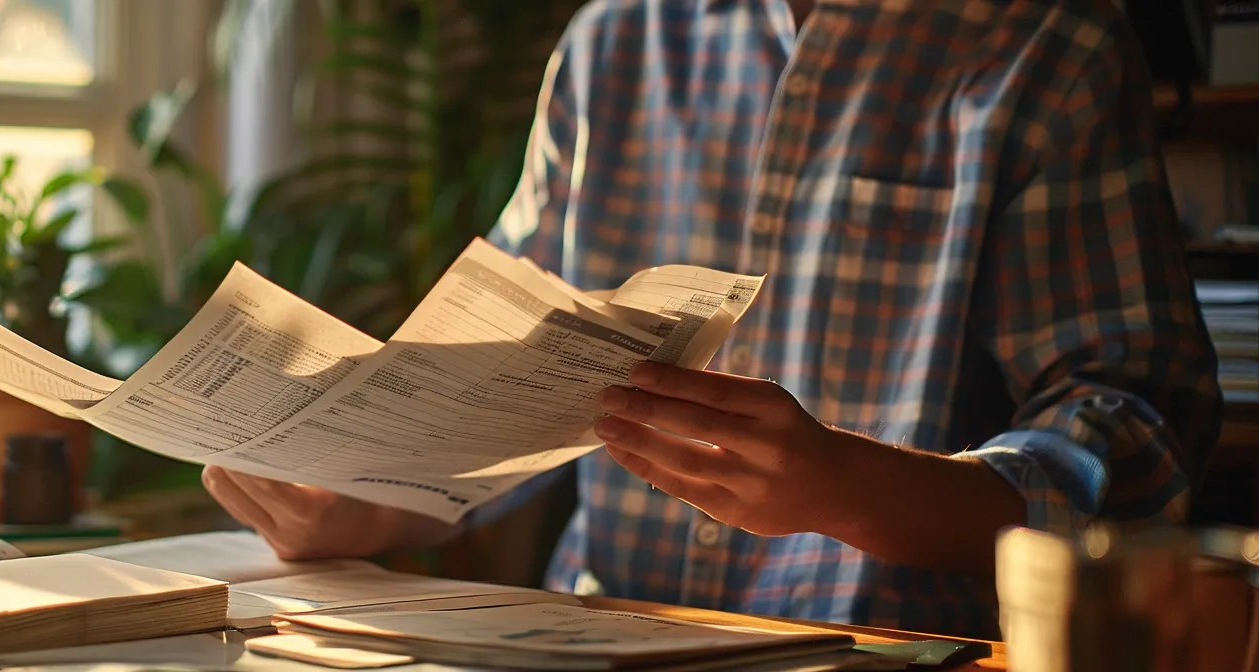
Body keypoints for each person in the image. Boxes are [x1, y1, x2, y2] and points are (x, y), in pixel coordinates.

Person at [200, 0, 1222, 639]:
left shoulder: (1042, 43)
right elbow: (501, 384)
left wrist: (852, 489)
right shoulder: (612, 42)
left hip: (891, 649)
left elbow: (1137, 439)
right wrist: (369, 500)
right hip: (592, 637)